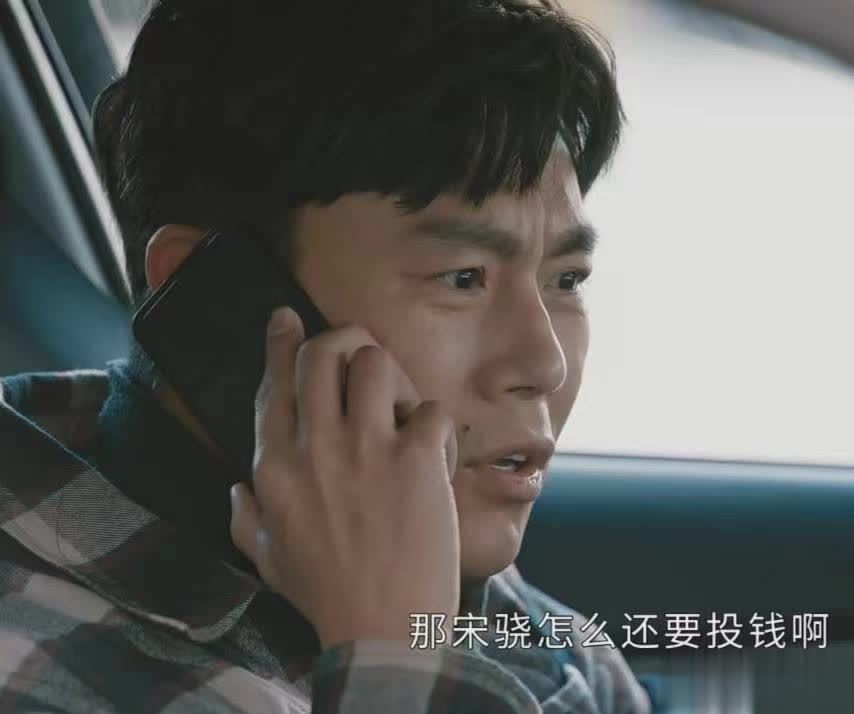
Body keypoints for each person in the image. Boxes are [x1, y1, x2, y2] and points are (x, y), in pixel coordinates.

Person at [0, 1, 656, 711]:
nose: (544, 363)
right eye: (462, 278)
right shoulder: (43, 669)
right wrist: (394, 655)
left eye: (566, 281)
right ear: (215, 295)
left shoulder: (508, 615)